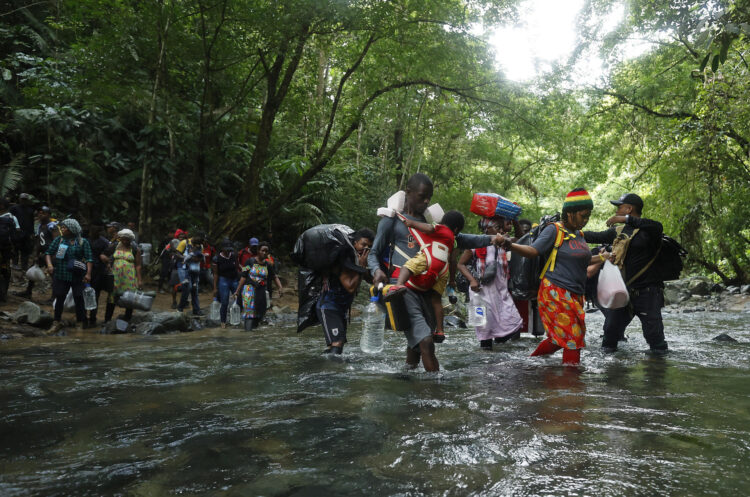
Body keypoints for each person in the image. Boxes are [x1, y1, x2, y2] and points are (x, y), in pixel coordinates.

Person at [368, 173, 507, 372]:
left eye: (429, 198)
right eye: (422, 196)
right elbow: (374, 253)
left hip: (428, 289)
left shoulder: (432, 223)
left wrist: (492, 239)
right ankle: (434, 394)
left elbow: (462, 239)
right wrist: (376, 271)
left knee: (416, 344)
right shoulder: (391, 221)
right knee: (426, 341)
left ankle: (406, 377)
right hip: (403, 289)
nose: (426, 202)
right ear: (408, 192)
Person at [501, 189, 608, 365]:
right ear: (570, 214)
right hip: (555, 292)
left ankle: (529, 364)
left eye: (589, 216)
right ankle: (570, 384)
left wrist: (604, 257)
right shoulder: (554, 230)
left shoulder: (579, 235)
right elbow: (533, 251)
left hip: (575, 294)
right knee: (572, 340)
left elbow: (585, 259)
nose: (586, 220)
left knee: (559, 338)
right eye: (583, 216)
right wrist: (509, 245)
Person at [583, 193, 668, 356]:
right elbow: (594, 236)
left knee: (656, 342)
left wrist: (625, 219)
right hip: (622, 293)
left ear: (629, 209)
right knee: (609, 338)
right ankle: (613, 376)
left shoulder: (650, 231)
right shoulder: (619, 231)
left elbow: (657, 226)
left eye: (619, 207)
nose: (616, 211)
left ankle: (657, 376)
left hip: (648, 293)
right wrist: (569, 231)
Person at [385, 210, 466, 344]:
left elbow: (428, 228)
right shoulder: (453, 240)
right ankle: (440, 330)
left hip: (430, 258)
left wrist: (411, 223)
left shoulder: (442, 229)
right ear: (456, 229)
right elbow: (453, 261)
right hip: (443, 269)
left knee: (407, 266)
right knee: (436, 300)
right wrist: (452, 280)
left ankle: (398, 285)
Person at [458, 215, 523, 350]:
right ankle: (486, 361)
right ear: (487, 230)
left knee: (513, 324)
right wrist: (472, 280)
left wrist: (515, 219)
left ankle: (500, 352)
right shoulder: (474, 245)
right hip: (480, 293)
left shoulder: (504, 243)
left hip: (500, 293)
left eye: (501, 227)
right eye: (497, 227)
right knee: (484, 330)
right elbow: (461, 264)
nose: (501, 231)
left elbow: (520, 238)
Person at [317, 228, 374, 354]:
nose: (365, 249)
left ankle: (326, 369)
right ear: (355, 243)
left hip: (341, 308)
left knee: (337, 344)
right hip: (328, 306)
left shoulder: (357, 260)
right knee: (337, 342)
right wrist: (361, 267)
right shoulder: (341, 260)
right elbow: (350, 287)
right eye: (363, 244)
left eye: (369, 247)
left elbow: (370, 279)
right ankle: (331, 370)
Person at [44, 218, 94, 334]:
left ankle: (80, 323)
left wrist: (88, 273)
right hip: (61, 274)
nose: (62, 229)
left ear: (72, 229)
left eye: (64, 227)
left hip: (78, 276)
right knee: (60, 297)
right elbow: (48, 253)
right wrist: (50, 265)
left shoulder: (83, 242)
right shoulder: (59, 240)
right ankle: (56, 322)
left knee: (79, 298)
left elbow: (89, 259)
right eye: (62, 227)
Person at [233, 241, 283, 331]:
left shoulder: (268, 265)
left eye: (266, 251)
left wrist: (280, 287)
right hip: (249, 291)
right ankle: (248, 333)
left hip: (261, 292)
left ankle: (253, 334)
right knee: (249, 314)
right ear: (258, 251)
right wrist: (237, 291)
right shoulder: (249, 261)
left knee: (259, 314)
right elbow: (243, 276)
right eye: (262, 250)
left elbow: (274, 277)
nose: (264, 253)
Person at [14, 206, 55, 299]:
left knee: (54, 275)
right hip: (43, 254)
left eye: (43, 213)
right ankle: (28, 291)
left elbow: (57, 240)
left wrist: (54, 255)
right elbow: (38, 242)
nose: (40, 214)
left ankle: (54, 296)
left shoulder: (52, 226)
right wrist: (36, 254)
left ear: (48, 215)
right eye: (39, 213)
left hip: (51, 255)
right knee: (32, 270)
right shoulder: (40, 226)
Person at [102, 228, 142, 322]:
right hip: (115, 276)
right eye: (123, 239)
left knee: (130, 297)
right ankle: (107, 320)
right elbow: (103, 255)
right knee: (112, 297)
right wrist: (108, 264)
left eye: (127, 239)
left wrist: (139, 280)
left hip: (130, 277)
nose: (125, 241)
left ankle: (127, 320)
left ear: (131, 239)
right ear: (120, 238)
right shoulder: (115, 246)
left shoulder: (135, 249)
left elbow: (138, 265)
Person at [87, 223, 112, 327]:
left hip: (99, 272)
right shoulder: (86, 240)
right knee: (86, 294)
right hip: (87, 270)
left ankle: (92, 318)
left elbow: (108, 256)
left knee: (95, 294)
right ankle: (85, 317)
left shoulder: (104, 242)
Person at [212, 239, 240, 328]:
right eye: (226, 249)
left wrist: (247, 269)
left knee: (239, 299)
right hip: (223, 280)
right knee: (224, 302)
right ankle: (223, 322)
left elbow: (238, 267)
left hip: (234, 279)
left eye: (229, 250)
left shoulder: (234, 255)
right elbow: (215, 274)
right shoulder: (216, 259)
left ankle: (236, 319)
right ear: (222, 249)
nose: (228, 251)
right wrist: (215, 287)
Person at [175, 232, 205, 315]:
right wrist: (186, 258)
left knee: (195, 289)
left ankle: (196, 309)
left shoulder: (200, 245)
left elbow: (200, 257)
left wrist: (197, 259)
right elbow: (177, 253)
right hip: (183, 268)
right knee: (188, 287)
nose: (198, 246)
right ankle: (180, 308)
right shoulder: (184, 242)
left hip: (195, 269)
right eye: (196, 243)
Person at [0, 198, 23, 302]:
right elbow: (16, 234)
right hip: (6, 250)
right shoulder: (11, 218)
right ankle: (3, 294)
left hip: (4, 249)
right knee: (5, 270)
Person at [9, 193, 35, 271]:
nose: (23, 201)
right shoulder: (14, 208)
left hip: (26, 233)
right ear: (19, 199)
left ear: (27, 200)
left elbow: (31, 222)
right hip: (16, 233)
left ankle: (24, 266)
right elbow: (10, 218)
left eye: (25, 199)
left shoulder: (30, 210)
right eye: (22, 199)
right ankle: (15, 264)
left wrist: (32, 232)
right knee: (15, 249)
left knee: (25, 251)